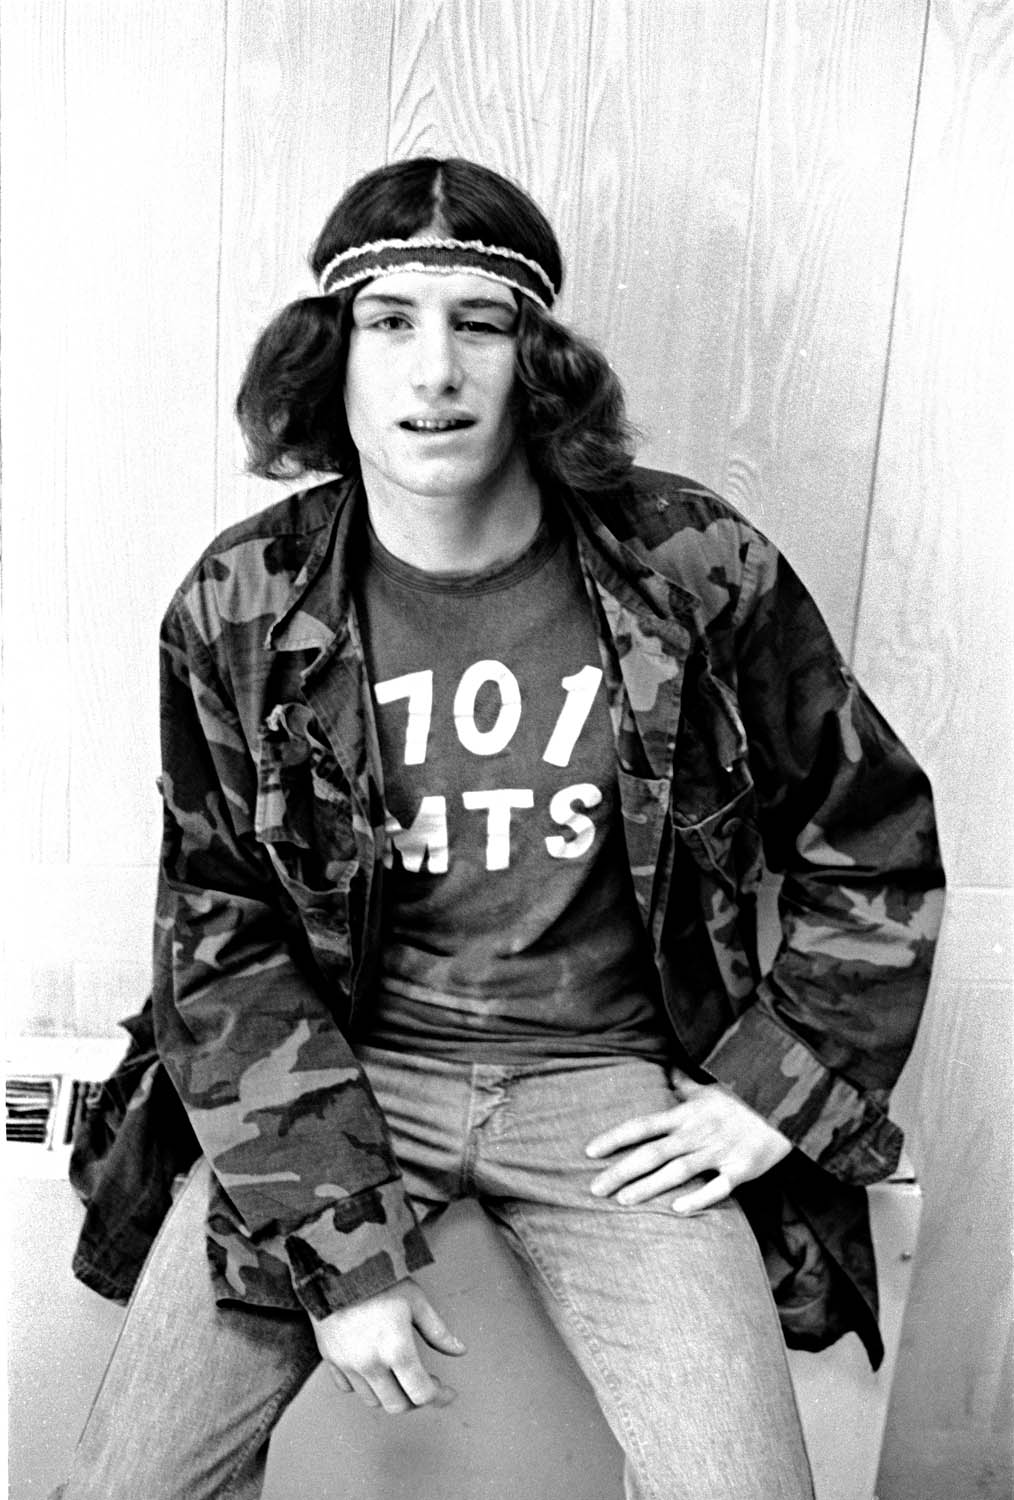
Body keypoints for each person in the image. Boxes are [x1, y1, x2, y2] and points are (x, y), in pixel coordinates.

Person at [58, 157, 944, 1500]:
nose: (433, 372)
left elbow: (868, 830)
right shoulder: (242, 601)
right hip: (335, 1070)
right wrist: (336, 1249)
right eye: (389, 322)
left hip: (604, 1095)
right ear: (327, 360)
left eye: (479, 322)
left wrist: (780, 1088)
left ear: (538, 360)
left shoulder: (692, 568)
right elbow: (219, 929)